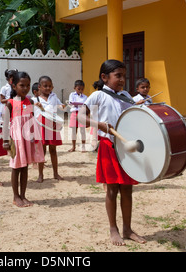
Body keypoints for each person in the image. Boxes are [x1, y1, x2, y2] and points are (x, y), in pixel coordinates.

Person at [78, 59, 146, 246]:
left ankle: (127, 228)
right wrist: (98, 124)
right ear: (104, 77)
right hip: (108, 146)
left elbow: (134, 117)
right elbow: (81, 116)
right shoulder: (98, 96)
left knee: (127, 189)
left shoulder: (125, 96)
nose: (122, 79)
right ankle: (113, 229)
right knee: (112, 189)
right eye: (118, 76)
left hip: (126, 148)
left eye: (124, 75)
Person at [3, 71, 45, 207]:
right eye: (22, 85)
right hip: (16, 139)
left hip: (27, 139)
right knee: (16, 167)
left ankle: (23, 195)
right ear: (14, 86)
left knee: (25, 166)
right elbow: (5, 123)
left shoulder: (30, 101)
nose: (25, 88)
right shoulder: (9, 103)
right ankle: (16, 197)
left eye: (27, 85)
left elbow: (31, 119)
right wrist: (5, 140)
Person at [32, 75, 65, 182]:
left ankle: (56, 173)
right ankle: (40, 175)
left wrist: (63, 106)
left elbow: (60, 106)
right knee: (42, 151)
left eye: (50, 86)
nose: (47, 88)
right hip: (41, 127)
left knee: (53, 150)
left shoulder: (54, 97)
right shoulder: (34, 99)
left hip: (52, 126)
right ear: (39, 87)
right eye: (45, 86)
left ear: (52, 87)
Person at [68, 80, 88, 152]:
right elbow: (71, 103)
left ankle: (83, 147)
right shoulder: (72, 95)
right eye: (78, 89)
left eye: (82, 89)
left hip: (82, 114)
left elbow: (85, 105)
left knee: (82, 131)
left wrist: (76, 104)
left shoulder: (85, 97)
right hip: (74, 113)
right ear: (74, 88)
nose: (80, 90)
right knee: (74, 130)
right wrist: (80, 104)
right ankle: (73, 147)